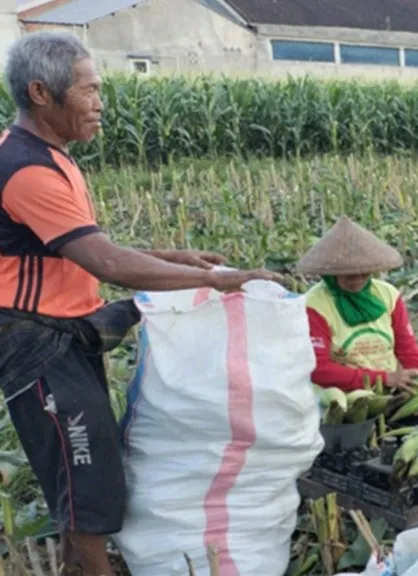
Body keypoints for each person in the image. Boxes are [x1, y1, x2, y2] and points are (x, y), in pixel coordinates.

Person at [0, 31, 282, 576]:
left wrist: (177, 258)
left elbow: (78, 247)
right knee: (86, 486)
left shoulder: (50, 157)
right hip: (38, 345)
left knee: (85, 478)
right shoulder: (27, 169)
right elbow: (106, 263)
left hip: (64, 332)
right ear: (41, 92)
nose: (100, 102)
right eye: (87, 90)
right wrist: (221, 282)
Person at [297, 216, 418, 450]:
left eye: (365, 273)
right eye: (349, 275)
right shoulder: (314, 304)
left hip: (391, 395)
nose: (358, 280)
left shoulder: (387, 294)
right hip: (342, 404)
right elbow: (319, 369)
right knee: (360, 458)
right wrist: (383, 377)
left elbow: (407, 348)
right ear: (331, 272)